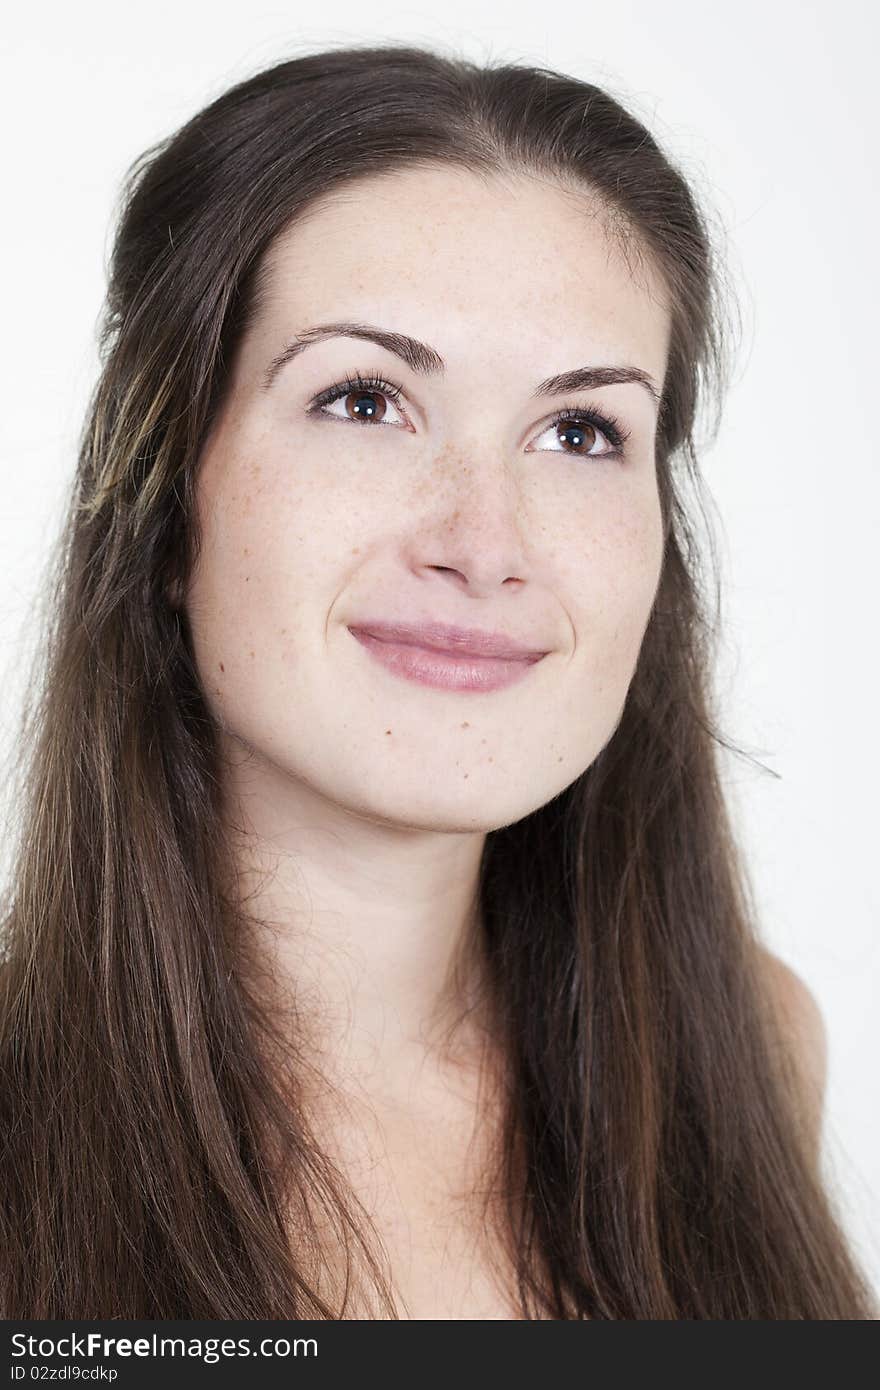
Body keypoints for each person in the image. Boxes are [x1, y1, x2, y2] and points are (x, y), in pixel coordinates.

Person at [0, 41, 874, 1320]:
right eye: (364, 400)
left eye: (579, 431)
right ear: (166, 504)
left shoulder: (753, 1047)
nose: (482, 543)